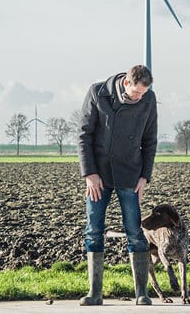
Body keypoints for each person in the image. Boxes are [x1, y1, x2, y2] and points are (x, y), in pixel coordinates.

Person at [77, 65, 158, 306]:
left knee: (135, 231)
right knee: (93, 229)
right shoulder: (98, 93)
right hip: (98, 174)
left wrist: (145, 176)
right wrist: (89, 173)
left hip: (130, 173)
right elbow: (84, 135)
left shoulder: (148, 99)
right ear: (126, 83)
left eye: (143, 94)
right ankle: (94, 293)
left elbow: (150, 140)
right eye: (136, 93)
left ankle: (141, 293)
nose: (139, 98)